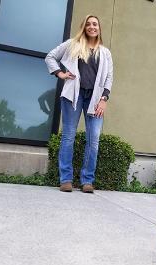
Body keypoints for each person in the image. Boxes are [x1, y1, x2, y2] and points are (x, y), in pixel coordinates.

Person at [45, 14, 113, 193]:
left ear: (99, 28)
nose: (92, 27)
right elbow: (50, 56)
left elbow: (109, 78)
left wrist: (104, 99)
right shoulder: (72, 45)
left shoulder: (105, 52)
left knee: (94, 139)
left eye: (95, 24)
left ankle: (87, 181)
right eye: (89, 24)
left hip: (95, 98)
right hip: (73, 96)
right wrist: (60, 74)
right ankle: (65, 180)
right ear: (84, 27)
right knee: (68, 136)